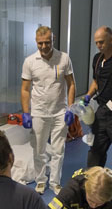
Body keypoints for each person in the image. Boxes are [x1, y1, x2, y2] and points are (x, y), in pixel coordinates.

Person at [20, 26, 76, 194]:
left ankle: (55, 182)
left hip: (60, 112)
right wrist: (25, 112)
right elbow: (25, 89)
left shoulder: (64, 58)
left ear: (54, 39)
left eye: (47, 42)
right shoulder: (30, 61)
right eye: (40, 43)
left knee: (59, 150)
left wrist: (71, 108)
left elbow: (71, 84)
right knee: (39, 151)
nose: (43, 47)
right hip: (39, 112)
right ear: (36, 42)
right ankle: (41, 181)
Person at [82, 26, 112, 168]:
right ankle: (94, 181)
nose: (99, 45)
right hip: (102, 111)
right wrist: (88, 96)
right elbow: (96, 82)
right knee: (95, 151)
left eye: (102, 42)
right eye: (96, 42)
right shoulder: (97, 59)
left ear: (111, 39)